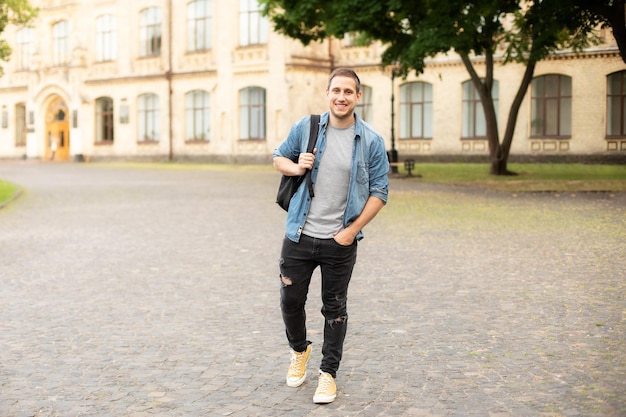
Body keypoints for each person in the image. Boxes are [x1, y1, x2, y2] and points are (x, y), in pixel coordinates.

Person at [272, 67, 389, 404]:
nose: (341, 97)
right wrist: (297, 167)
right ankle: (299, 351)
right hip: (298, 234)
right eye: (336, 90)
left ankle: (328, 374)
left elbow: (380, 191)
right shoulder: (307, 128)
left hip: (339, 240)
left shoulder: (370, 140)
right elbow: (278, 157)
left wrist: (351, 232)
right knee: (290, 301)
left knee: (334, 308)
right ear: (327, 93)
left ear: (358, 96)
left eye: (348, 92)